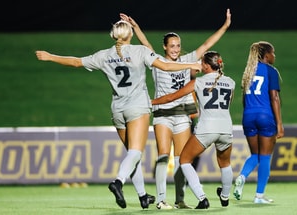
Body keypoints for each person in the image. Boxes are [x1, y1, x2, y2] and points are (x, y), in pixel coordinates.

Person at [35, 19, 201, 209]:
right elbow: (166, 66)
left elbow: (75, 62)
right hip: (137, 107)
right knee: (135, 152)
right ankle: (118, 182)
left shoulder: (104, 55)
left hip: (117, 109)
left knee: (132, 155)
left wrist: (50, 56)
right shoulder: (139, 51)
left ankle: (142, 196)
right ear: (129, 34)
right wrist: (191, 65)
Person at [120, 9, 231, 210]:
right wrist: (135, 27)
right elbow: (145, 44)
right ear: (164, 47)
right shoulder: (156, 61)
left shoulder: (187, 60)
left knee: (182, 160)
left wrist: (225, 26)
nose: (175, 49)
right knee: (163, 156)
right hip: (163, 115)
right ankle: (162, 200)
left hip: (182, 116)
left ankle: (180, 199)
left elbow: (207, 45)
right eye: (172, 46)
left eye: (178, 45)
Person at [152, 51, 236, 209]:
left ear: (205, 65)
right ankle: (225, 196)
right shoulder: (231, 82)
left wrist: (151, 102)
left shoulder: (198, 82)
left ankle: (202, 197)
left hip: (207, 128)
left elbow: (171, 97)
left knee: (184, 160)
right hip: (226, 128)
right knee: (225, 163)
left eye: (201, 62)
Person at [233, 41, 284, 204]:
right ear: (266, 55)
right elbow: (274, 97)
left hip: (248, 115)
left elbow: (243, 98)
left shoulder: (248, 72)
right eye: (273, 53)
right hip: (265, 116)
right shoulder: (270, 71)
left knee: (255, 154)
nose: (274, 56)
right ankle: (259, 196)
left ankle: (242, 176)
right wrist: (279, 124)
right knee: (265, 157)